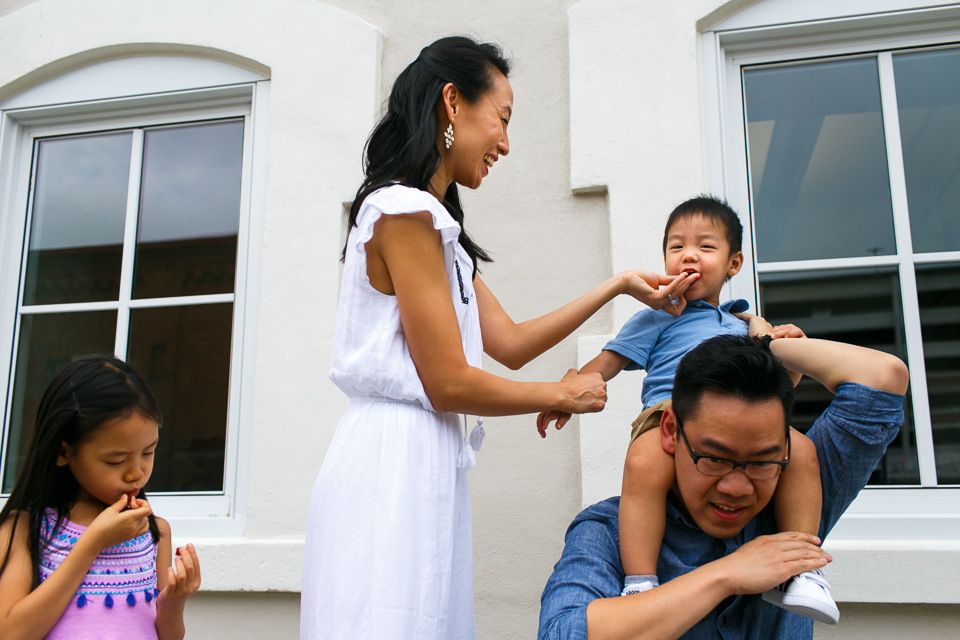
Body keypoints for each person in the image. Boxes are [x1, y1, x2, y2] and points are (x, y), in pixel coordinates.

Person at [298, 36, 698, 640]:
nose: (506, 143)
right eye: (503, 119)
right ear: (453, 103)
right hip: (390, 461)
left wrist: (617, 286)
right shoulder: (404, 212)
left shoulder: (440, 230)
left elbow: (507, 341)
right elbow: (447, 381)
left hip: (422, 457)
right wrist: (558, 395)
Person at [537, 195, 835, 622]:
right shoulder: (659, 317)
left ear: (734, 264)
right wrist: (563, 396)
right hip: (666, 413)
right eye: (676, 247)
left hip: (732, 426)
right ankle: (640, 582)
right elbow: (605, 366)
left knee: (801, 449)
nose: (688, 254)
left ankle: (802, 569)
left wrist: (791, 358)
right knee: (644, 461)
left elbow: (765, 399)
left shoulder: (746, 326)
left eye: (705, 246)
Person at [538, 331, 908, 639]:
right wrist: (725, 575)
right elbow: (562, 631)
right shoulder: (607, 532)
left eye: (762, 461)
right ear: (669, 431)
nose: (737, 487)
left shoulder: (797, 502)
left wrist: (767, 348)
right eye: (714, 458)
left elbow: (882, 377)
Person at [0, 356, 202, 640]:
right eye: (116, 460)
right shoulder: (25, 528)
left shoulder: (156, 532)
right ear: (63, 452)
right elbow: (10, 633)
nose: (136, 473)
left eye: (148, 452)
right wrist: (92, 543)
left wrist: (173, 603)